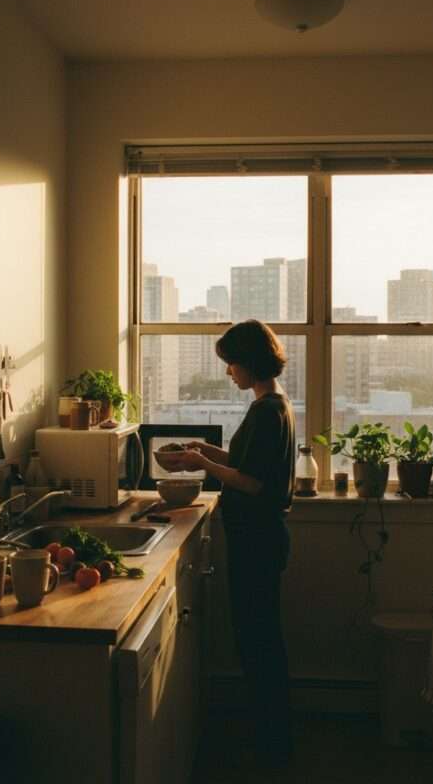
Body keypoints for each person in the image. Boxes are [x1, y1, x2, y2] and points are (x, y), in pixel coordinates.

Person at [164, 319, 296, 768]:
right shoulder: (276, 405)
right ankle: (273, 735)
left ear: (249, 362)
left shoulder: (264, 411)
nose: (228, 373)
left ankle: (270, 742)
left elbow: (253, 483)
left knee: (256, 641)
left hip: (256, 540)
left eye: (232, 363)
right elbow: (245, 463)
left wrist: (200, 461)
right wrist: (206, 450)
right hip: (263, 538)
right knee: (263, 638)